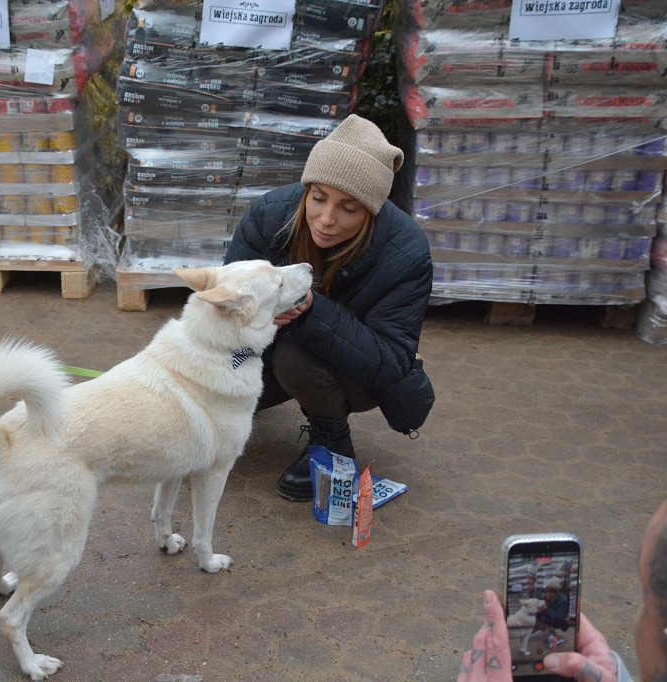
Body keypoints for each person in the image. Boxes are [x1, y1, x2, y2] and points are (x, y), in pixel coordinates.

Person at [224, 113, 434, 501]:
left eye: (348, 208)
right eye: (317, 197)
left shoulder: (406, 252)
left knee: (294, 355)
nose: (325, 219)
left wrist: (309, 310)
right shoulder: (270, 216)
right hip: (260, 352)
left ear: (371, 208)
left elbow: (389, 361)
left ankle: (333, 447)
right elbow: (226, 306)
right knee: (207, 392)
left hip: (355, 372)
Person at [457, 498, 667, 682]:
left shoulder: (561, 602)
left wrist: (543, 612)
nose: (639, 618)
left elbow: (560, 621)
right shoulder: (547, 599)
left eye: (645, 599)